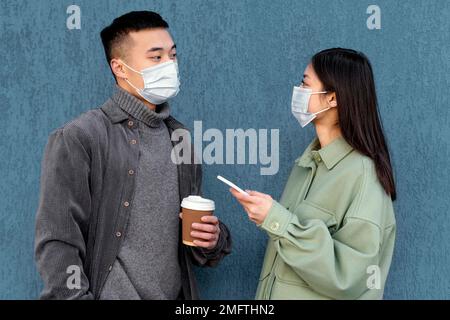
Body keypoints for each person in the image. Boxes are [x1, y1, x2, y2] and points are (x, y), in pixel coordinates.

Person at [34, 10, 231, 300]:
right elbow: (57, 240)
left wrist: (212, 240)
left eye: (172, 55)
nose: (169, 65)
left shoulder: (181, 139)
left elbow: (192, 244)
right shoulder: (80, 137)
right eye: (156, 57)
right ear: (120, 68)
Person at [231, 48, 396, 299]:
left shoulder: (364, 175)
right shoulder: (305, 165)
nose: (298, 90)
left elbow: (350, 278)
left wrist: (277, 221)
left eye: (305, 83)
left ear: (332, 98)